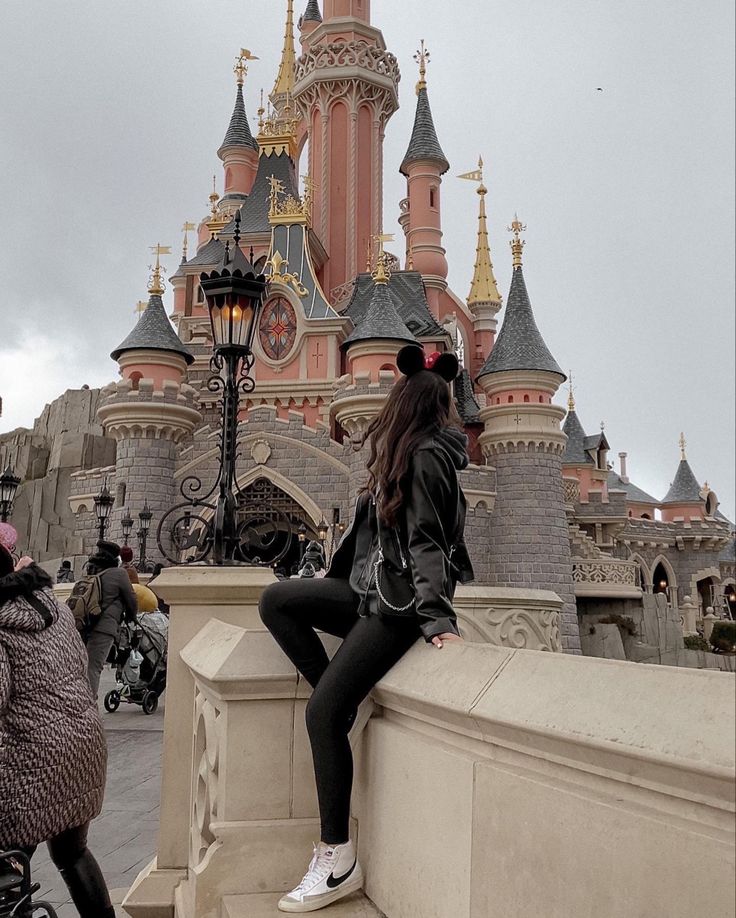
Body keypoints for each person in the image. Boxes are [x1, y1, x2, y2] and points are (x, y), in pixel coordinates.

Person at [260, 344, 474, 913]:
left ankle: (337, 859)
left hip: (400, 608)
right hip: (368, 592)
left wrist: (437, 620)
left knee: (320, 713)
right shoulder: (405, 451)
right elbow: (379, 536)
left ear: (403, 401)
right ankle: (342, 695)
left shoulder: (428, 454)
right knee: (279, 600)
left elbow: (429, 540)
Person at [0, 541, 115, 918]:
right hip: (83, 746)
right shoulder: (53, 605)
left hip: (34, 761)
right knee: (71, 851)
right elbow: (79, 663)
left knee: (8, 858)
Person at [85, 540, 137, 698]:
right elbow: (131, 598)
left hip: (83, 623)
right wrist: (132, 616)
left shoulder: (90, 569)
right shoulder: (119, 573)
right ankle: (88, 705)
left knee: (81, 664)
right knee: (93, 667)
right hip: (104, 626)